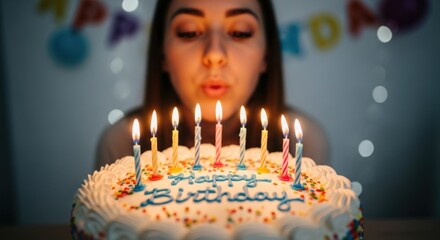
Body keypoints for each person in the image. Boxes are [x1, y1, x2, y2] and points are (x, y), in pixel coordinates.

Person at [96, 0, 328, 169]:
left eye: (240, 32)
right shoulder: (122, 145)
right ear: (163, 54)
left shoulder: (304, 144)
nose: (215, 54)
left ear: (266, 55)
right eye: (189, 32)